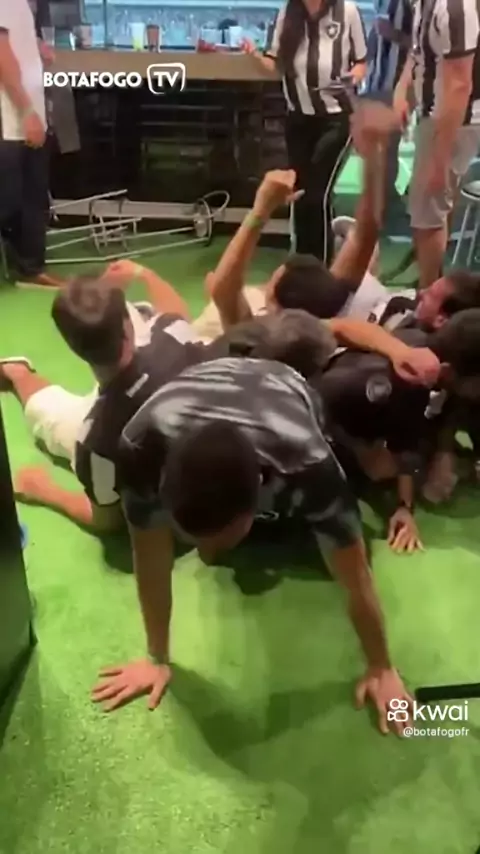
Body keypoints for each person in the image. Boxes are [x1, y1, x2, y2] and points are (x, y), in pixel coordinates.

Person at [92, 353, 412, 733]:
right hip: (200, 380)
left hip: (284, 386)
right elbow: (150, 558)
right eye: (192, 539)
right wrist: (156, 657)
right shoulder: (140, 447)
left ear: (258, 504)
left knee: (334, 553)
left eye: (216, 540)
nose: (205, 556)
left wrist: (382, 667)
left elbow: (357, 578)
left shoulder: (308, 464)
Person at [243, 0, 367, 262]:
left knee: (317, 193)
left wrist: (353, 77)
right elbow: (275, 64)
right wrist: (253, 54)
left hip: (336, 117)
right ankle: (301, 261)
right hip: (298, 119)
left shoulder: (347, 11)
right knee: (299, 193)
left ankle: (321, 265)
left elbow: (361, 61)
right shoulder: (288, 13)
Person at [394, 0, 480, 289]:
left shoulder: (455, 7)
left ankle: (428, 297)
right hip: (437, 114)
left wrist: (439, 160)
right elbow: (419, 49)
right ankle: (434, 291)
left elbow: (460, 84)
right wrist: (403, 88)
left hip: (453, 120)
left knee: (427, 213)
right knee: (434, 207)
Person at [0, 0, 62, 286]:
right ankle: (29, 267)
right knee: (10, 200)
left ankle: (31, 268)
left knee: (32, 199)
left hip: (24, 116)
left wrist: (36, 46)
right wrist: (26, 112)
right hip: (10, 119)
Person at [364, 0, 413, 233]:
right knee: (379, 151)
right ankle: (383, 207)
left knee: (385, 151)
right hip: (376, 81)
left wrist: (395, 35)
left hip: (396, 87)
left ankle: (384, 212)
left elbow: (425, 43)